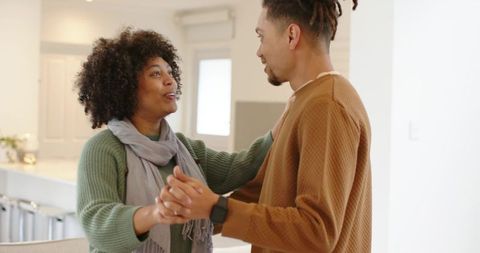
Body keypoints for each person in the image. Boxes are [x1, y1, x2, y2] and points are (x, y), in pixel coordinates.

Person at [159, 0, 371, 252]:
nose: (259, 51)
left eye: (261, 37)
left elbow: (317, 230)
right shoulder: (307, 100)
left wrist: (218, 209)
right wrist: (196, 209)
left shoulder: (326, 106)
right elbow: (265, 194)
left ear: (292, 35)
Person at [75, 28, 277, 253]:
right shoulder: (103, 148)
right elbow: (98, 224)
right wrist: (156, 213)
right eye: (155, 74)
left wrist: (287, 120)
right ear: (126, 87)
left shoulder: (185, 148)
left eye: (170, 72)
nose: (170, 81)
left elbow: (242, 167)